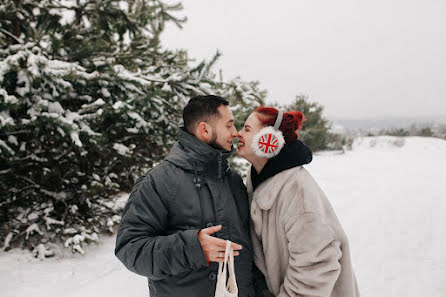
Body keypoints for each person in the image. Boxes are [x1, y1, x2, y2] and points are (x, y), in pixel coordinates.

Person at [115, 95, 262, 297]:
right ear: (205, 130)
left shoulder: (233, 181)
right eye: (229, 126)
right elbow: (130, 249)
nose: (235, 133)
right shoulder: (159, 181)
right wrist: (192, 248)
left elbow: (249, 253)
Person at [237, 107, 360, 297]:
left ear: (268, 140)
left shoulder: (298, 192)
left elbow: (317, 269)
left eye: (246, 129)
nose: (238, 134)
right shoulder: (259, 179)